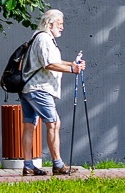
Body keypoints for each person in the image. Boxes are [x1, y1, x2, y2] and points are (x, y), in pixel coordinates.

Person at [18, 9, 84, 176]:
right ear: (51, 24)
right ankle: (58, 164)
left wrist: (71, 63)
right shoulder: (44, 39)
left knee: (29, 125)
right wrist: (72, 69)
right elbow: (49, 64)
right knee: (54, 123)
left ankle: (28, 165)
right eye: (60, 24)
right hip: (40, 89)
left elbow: (52, 61)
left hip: (29, 88)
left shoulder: (39, 37)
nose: (62, 27)